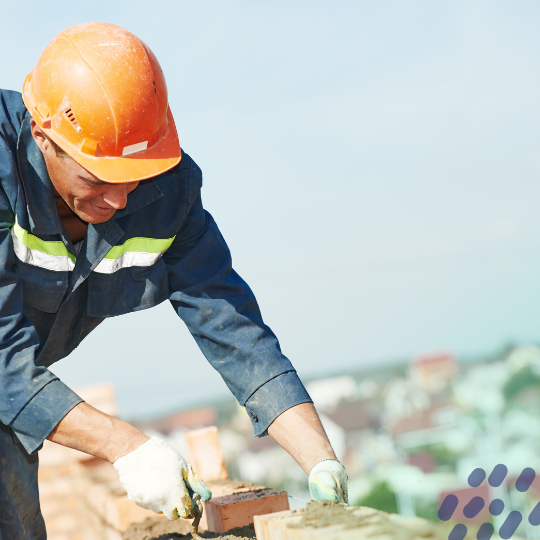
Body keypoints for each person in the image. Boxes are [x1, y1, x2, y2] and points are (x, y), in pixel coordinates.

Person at [0, 22, 348, 539]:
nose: (119, 201)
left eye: (130, 177)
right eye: (97, 178)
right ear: (42, 135)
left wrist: (321, 461)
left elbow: (232, 328)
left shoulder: (167, 190)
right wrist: (128, 448)